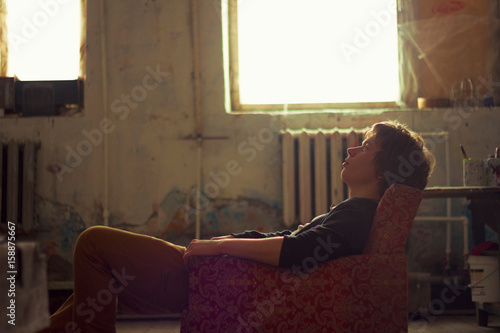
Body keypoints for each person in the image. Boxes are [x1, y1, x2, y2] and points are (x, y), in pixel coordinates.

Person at [40, 120, 434, 333]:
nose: (351, 148)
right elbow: (298, 243)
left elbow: (297, 252)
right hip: (220, 273)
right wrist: (223, 242)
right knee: (93, 286)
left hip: (215, 277)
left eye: (365, 146)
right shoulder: (355, 212)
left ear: (384, 169)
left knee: (92, 243)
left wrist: (219, 246)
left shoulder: (358, 214)